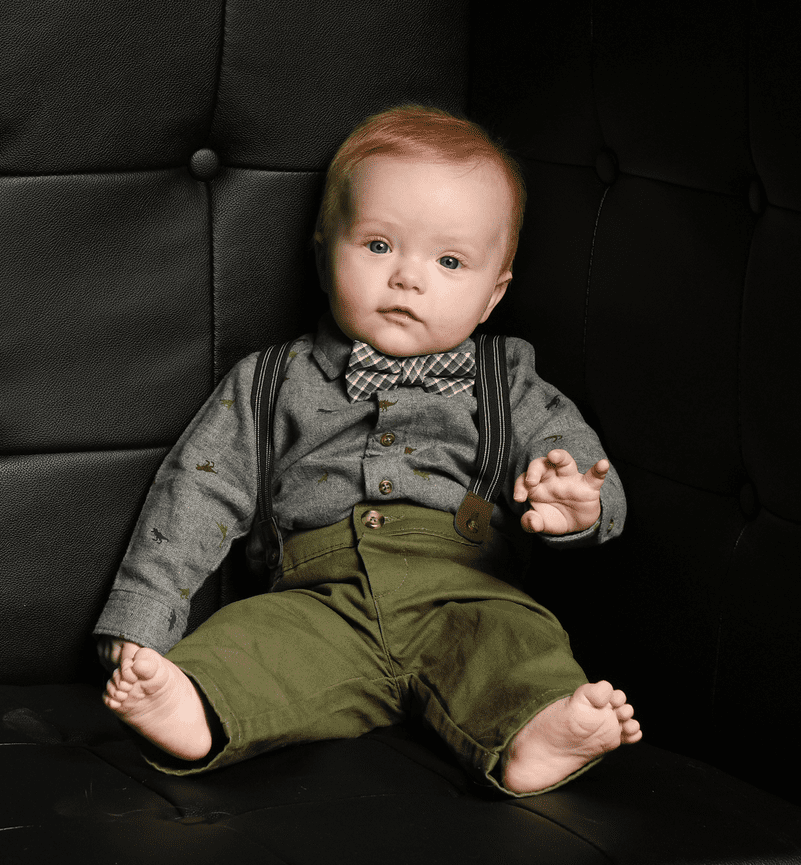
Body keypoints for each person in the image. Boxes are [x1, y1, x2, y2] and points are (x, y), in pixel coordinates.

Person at [93, 105, 641, 796]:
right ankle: (198, 710)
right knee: (248, 642)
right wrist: (141, 623)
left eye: (449, 260)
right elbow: (196, 492)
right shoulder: (268, 381)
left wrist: (580, 504)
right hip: (319, 601)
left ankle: (534, 733)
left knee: (519, 646)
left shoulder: (509, 381)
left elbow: (578, 462)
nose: (408, 277)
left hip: (467, 591)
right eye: (379, 245)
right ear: (325, 252)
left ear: (491, 296)